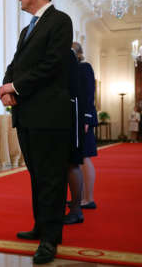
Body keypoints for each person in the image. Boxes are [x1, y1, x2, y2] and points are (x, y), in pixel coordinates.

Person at [0, 0, 73, 264]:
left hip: (50, 114)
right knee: (37, 175)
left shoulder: (60, 21)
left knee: (52, 176)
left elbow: (52, 65)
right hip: (26, 113)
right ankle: (41, 226)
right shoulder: (27, 29)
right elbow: (15, 63)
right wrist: (5, 88)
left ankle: (51, 239)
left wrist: (15, 86)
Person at [72, 42, 98, 210]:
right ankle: (79, 198)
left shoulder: (85, 67)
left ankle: (88, 199)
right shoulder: (71, 69)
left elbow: (89, 93)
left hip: (84, 119)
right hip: (74, 119)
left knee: (85, 158)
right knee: (77, 159)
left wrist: (87, 118)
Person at [63, 47, 87, 225]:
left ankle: (77, 209)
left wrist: (87, 118)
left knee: (72, 162)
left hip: (73, 115)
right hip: (61, 116)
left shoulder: (80, 65)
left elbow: (84, 94)